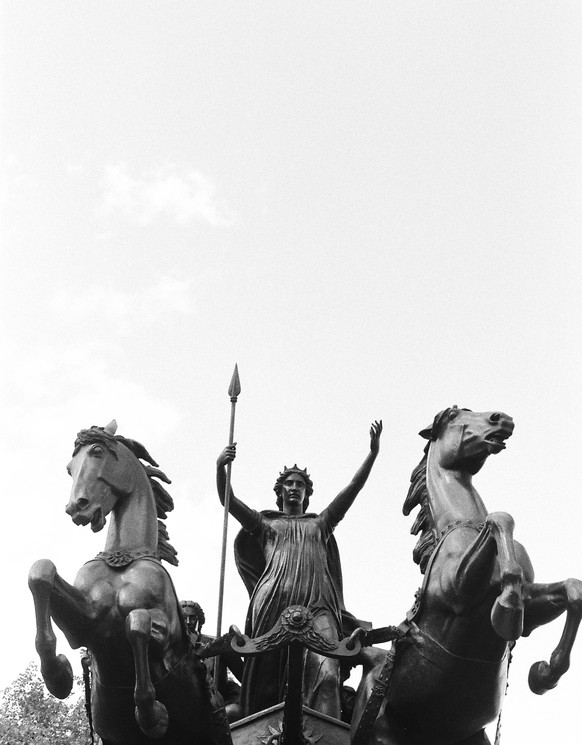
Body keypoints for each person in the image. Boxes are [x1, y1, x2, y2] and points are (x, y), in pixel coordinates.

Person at [216, 420, 382, 718]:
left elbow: (352, 490)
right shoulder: (266, 525)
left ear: (307, 493)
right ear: (279, 492)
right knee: (266, 686)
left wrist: (372, 454)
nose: (294, 488)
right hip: (272, 607)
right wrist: (220, 468)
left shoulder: (321, 524)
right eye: (289, 484)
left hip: (318, 607)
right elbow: (229, 501)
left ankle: (323, 732)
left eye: (300, 484)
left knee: (327, 674)